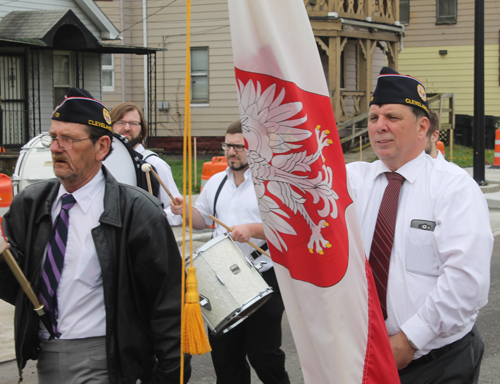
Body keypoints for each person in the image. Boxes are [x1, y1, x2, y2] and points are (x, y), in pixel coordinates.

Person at [0, 88, 190, 384]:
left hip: (107, 358)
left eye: (69, 139)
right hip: (46, 355)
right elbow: (19, 285)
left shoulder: (137, 212)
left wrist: (169, 375)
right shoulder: (31, 204)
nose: (55, 148)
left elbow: (166, 305)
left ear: (101, 147)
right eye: (53, 137)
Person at [346, 67, 492, 383]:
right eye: (373, 118)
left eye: (392, 117)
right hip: (369, 357)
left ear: (422, 126)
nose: (379, 126)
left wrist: (410, 339)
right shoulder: (356, 181)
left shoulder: (453, 188)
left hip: (438, 363)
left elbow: (467, 282)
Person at [170, 120, 290, 384]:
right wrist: (184, 211)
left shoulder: (269, 184)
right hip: (223, 279)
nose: (231, 152)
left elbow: (285, 229)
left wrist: (251, 229)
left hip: (263, 275)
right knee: (226, 357)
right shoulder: (216, 182)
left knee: (263, 354)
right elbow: (203, 220)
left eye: (239, 146)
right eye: (227, 145)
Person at [111, 102, 182, 226]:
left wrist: (147, 218)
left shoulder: (155, 165)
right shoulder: (102, 165)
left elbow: (177, 215)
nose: (127, 128)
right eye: (120, 122)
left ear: (142, 132)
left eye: (133, 123)